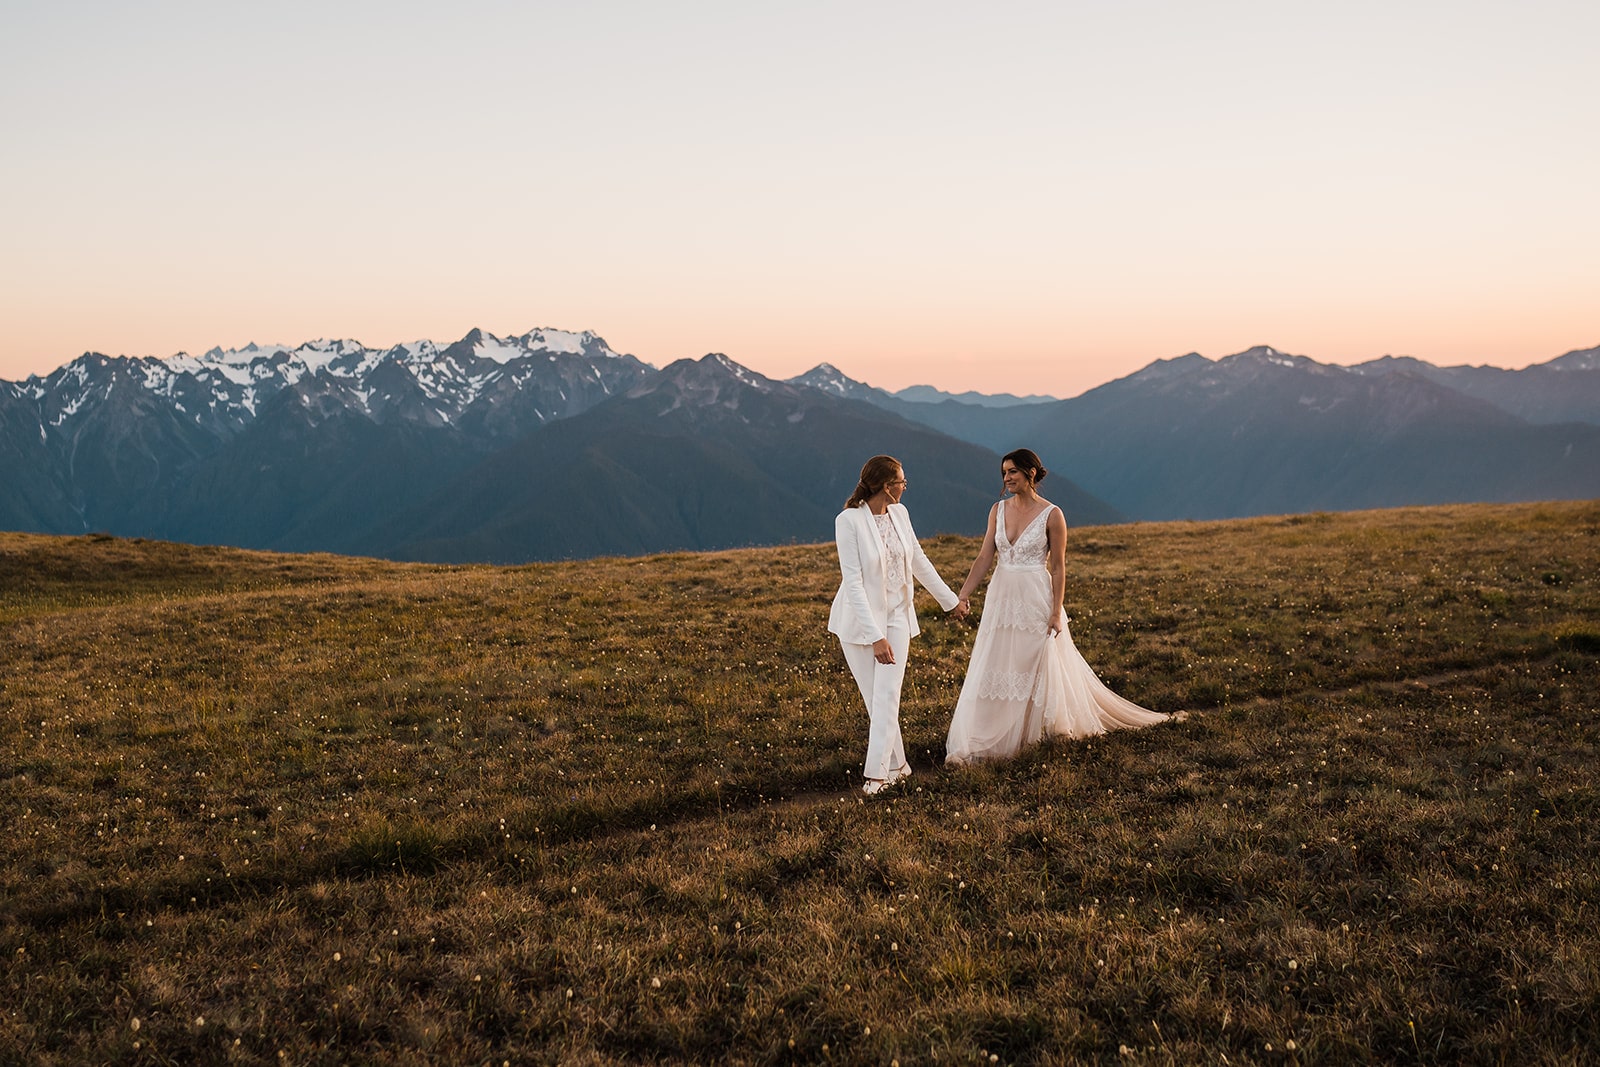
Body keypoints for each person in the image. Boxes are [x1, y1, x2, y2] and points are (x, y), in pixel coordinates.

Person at [945, 448, 1172, 765]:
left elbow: (1059, 568)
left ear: (1031, 474)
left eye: (1012, 471)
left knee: (1036, 661)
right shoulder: (996, 510)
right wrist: (964, 594)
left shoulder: (1053, 514)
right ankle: (992, 731)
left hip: (1036, 597)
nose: (1007, 478)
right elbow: (985, 556)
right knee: (999, 663)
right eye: (1004, 473)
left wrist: (1055, 612)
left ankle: (1038, 729)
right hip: (1001, 597)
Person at [829, 455, 968, 795]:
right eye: (901, 482)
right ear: (885, 487)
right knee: (875, 700)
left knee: (888, 694)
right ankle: (898, 766)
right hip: (858, 624)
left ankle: (876, 776)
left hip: (898, 617)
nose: (905, 487)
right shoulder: (849, 521)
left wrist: (949, 601)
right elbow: (854, 581)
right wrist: (875, 637)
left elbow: (918, 559)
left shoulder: (900, 514)